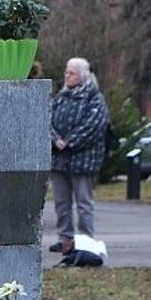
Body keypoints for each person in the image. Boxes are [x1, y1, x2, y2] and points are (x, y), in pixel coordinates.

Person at [48, 57, 109, 255]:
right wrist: (55, 139)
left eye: (71, 73)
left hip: (84, 160)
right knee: (61, 203)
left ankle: (85, 240)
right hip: (59, 160)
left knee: (84, 203)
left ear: (82, 76)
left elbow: (94, 125)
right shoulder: (60, 97)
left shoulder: (94, 98)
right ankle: (64, 238)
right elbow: (47, 120)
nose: (67, 76)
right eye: (66, 72)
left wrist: (69, 141)